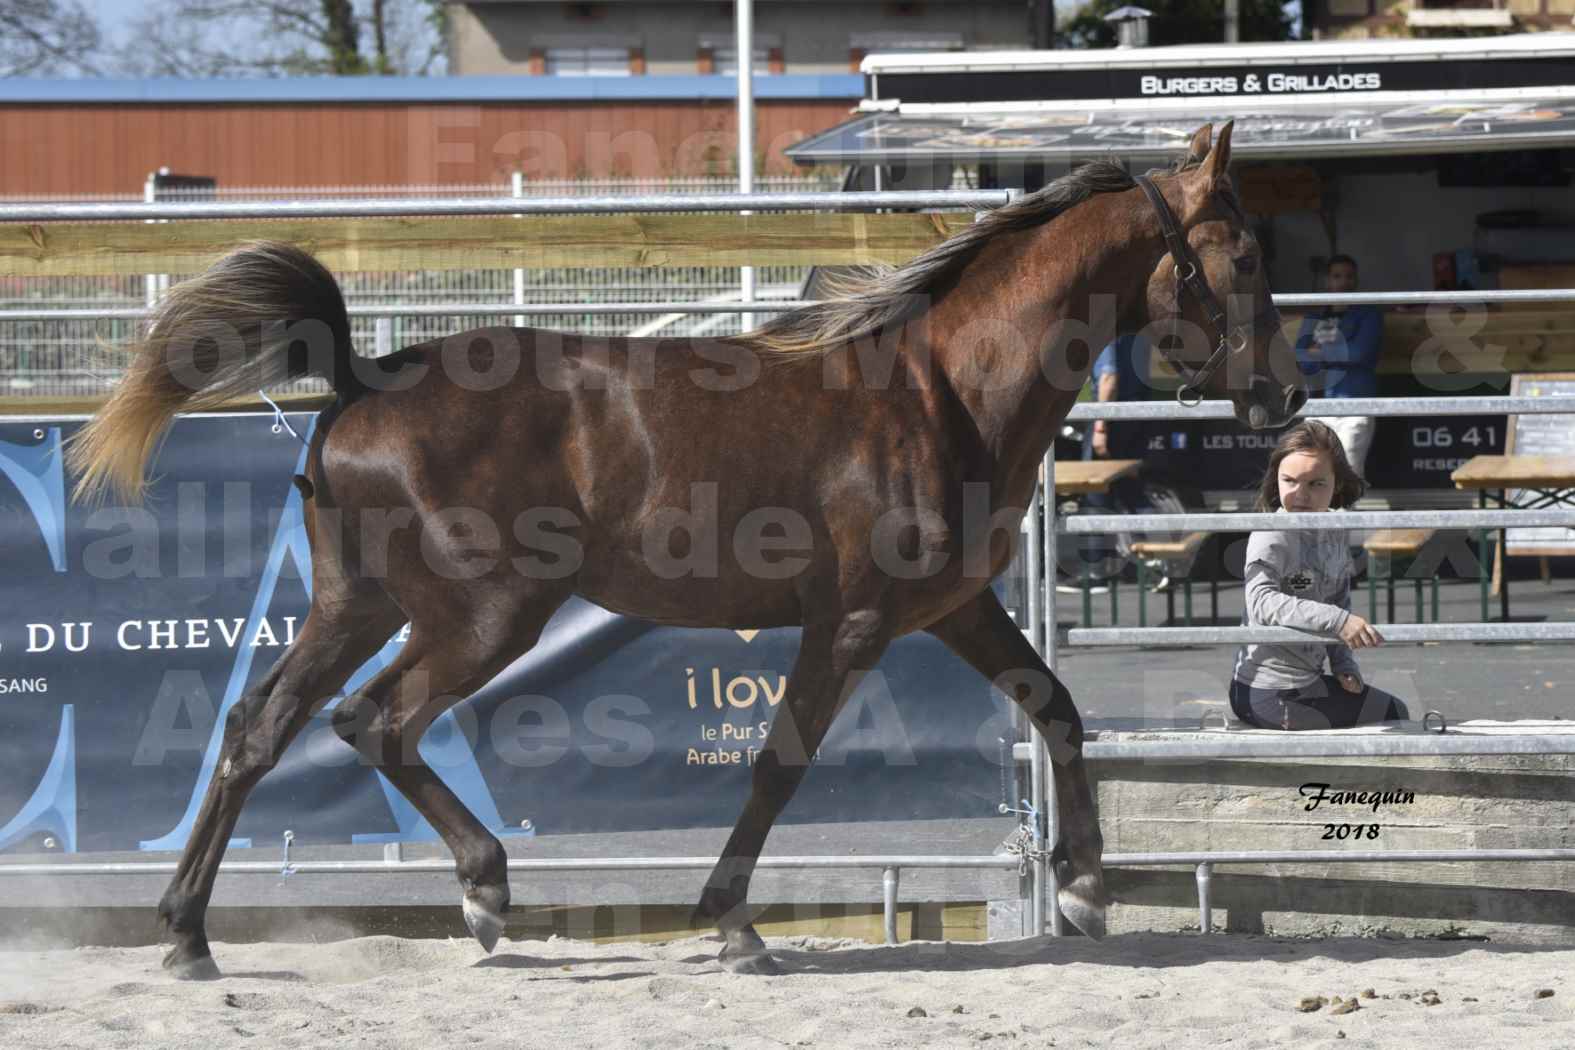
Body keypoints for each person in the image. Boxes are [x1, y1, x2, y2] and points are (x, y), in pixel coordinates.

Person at [1231, 421, 1410, 731]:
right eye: (1289, 481)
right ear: (1276, 480)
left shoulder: (1335, 527)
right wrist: (1338, 621)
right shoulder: (1272, 533)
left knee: (1394, 710)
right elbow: (1261, 601)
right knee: (1393, 716)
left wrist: (1343, 664)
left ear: (1337, 483)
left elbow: (1337, 596)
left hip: (1307, 682)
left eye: (1316, 484)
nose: (1300, 496)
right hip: (1266, 693)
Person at [1295, 254, 1384, 479]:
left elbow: (1360, 353)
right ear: (1327, 281)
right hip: (1317, 403)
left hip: (1354, 401)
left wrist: (1318, 351)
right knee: (1313, 472)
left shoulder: (1368, 312)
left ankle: (1346, 515)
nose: (1343, 281)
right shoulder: (1315, 314)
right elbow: (1300, 357)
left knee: (1349, 471)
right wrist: (1337, 352)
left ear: (1356, 280)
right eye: (1337, 276)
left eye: (1349, 276)